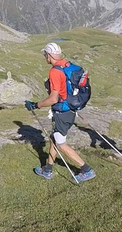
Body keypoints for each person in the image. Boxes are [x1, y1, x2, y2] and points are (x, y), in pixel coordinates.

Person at [25, 42, 95, 183]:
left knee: (61, 143)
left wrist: (35, 105)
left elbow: (53, 98)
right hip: (71, 108)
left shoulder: (55, 72)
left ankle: (86, 170)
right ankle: (48, 169)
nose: (45, 57)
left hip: (62, 112)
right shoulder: (67, 65)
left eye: (45, 54)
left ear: (49, 55)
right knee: (54, 138)